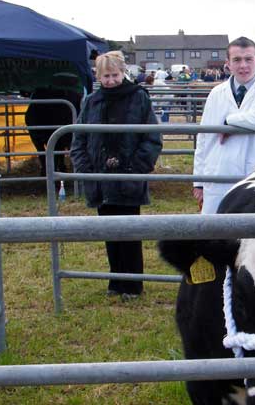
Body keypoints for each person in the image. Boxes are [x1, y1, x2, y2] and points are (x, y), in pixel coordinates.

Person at [70, 51, 162, 299]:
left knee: (130, 232)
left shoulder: (139, 98)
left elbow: (152, 138)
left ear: (124, 73)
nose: (110, 80)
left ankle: (133, 284)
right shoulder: (91, 102)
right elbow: (79, 138)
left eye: (114, 75)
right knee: (109, 231)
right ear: (98, 76)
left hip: (128, 176)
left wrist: (134, 168)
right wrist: (86, 170)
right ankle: (115, 281)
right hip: (100, 178)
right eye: (105, 76)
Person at [194, 36, 255, 214]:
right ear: (228, 63)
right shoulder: (216, 93)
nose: (243, 65)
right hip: (217, 172)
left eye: (248, 59)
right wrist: (199, 181)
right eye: (237, 60)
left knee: (249, 235)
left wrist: (229, 121)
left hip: (253, 173)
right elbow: (203, 138)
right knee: (214, 233)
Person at [25, 74, 83, 177]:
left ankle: (52, 169)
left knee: (55, 144)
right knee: (55, 144)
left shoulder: (41, 93)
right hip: (53, 120)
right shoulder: (69, 93)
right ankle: (53, 168)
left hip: (56, 121)